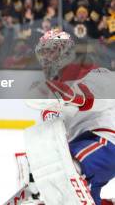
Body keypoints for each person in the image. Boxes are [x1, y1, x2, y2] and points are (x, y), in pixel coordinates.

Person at [27, 29, 114, 205]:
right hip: (85, 148)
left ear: (65, 51)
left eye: (50, 51)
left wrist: (73, 96)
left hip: (107, 142)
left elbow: (96, 96)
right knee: (83, 193)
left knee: (68, 169)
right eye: (43, 53)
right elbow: (51, 134)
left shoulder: (96, 73)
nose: (46, 58)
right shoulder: (54, 91)